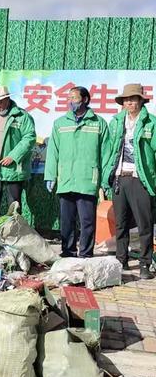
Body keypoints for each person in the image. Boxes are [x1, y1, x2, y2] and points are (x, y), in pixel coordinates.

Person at [45, 86, 110, 259]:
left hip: (88, 179)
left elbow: (107, 153)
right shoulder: (60, 123)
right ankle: (68, 252)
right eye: (69, 98)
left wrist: (104, 181)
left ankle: (86, 254)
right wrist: (50, 175)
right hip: (66, 179)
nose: (71, 101)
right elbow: (53, 152)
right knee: (67, 221)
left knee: (87, 221)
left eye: (74, 98)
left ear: (85, 100)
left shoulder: (98, 123)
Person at [103, 83, 156, 279]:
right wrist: (106, 175)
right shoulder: (116, 121)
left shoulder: (151, 123)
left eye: (133, 99)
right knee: (121, 223)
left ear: (141, 101)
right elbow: (109, 149)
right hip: (119, 177)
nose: (130, 102)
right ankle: (121, 260)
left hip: (140, 178)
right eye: (126, 100)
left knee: (145, 224)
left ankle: (144, 264)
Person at [0, 86, 36, 219]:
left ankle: (13, 229)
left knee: (14, 201)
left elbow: (30, 137)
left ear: (7, 99)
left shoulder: (22, 117)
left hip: (12, 165)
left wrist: (13, 156)